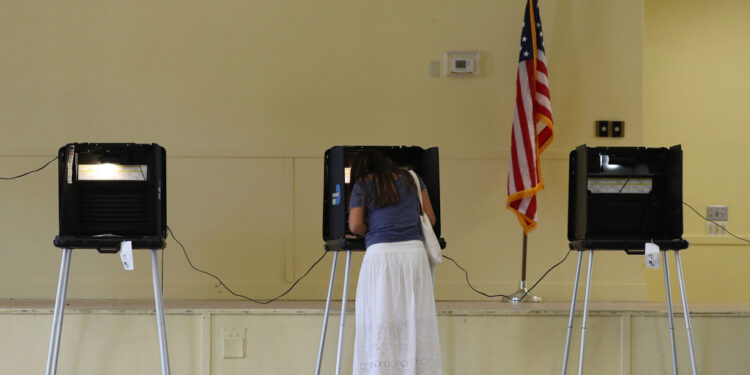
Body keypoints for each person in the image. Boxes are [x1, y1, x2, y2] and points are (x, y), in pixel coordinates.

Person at [348, 150, 442, 375]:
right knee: (415, 317)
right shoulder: (412, 178)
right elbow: (430, 219)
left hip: (382, 257)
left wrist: (375, 227)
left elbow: (355, 226)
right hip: (414, 256)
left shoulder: (363, 183)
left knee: (378, 317)